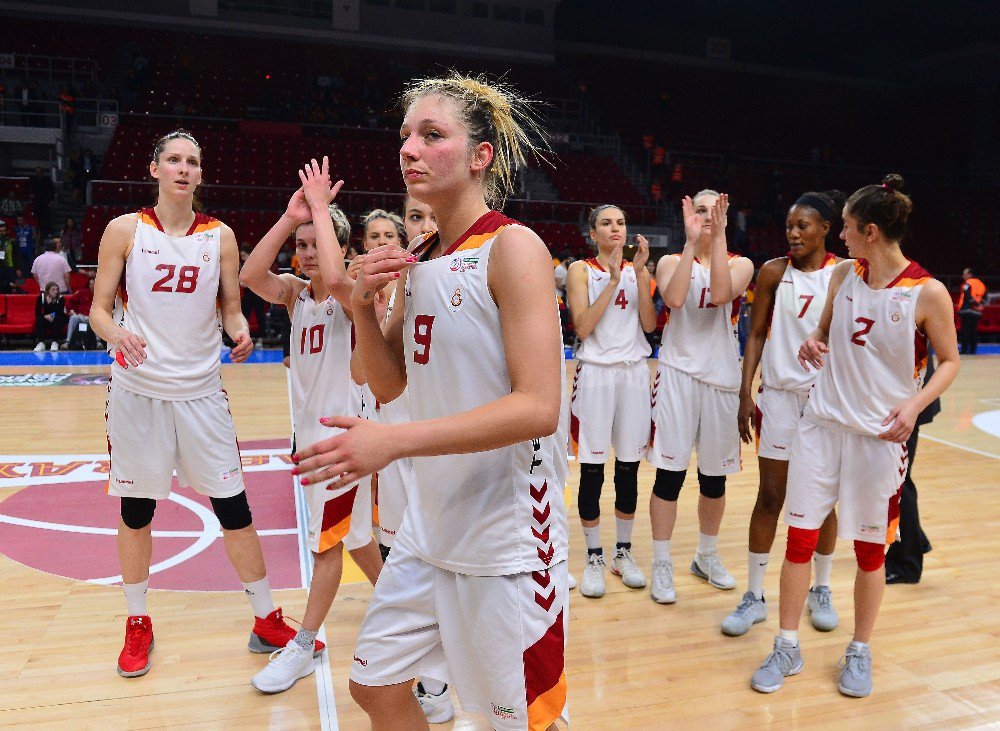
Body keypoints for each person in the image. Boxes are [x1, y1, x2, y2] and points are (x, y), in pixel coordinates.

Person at [296, 72, 569, 731]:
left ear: (481, 156)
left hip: (508, 540)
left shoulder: (513, 247)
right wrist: (362, 306)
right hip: (431, 524)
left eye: (432, 135)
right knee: (375, 684)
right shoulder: (417, 255)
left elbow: (539, 407)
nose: (409, 149)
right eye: (404, 136)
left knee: (522, 721)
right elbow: (386, 382)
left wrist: (393, 441)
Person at [89, 130, 310, 680]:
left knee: (234, 507)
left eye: (193, 161)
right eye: (174, 159)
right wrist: (118, 335)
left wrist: (240, 333)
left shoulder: (221, 237)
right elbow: (98, 311)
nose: (184, 169)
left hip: (201, 393)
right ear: (155, 168)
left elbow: (232, 309)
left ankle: (265, 617)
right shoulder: (125, 230)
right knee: (137, 511)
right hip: (138, 393)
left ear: (200, 174)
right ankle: (137, 620)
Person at [750, 174, 960, 699]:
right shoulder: (844, 275)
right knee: (799, 542)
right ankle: (786, 644)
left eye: (845, 228)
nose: (839, 237)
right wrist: (814, 347)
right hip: (821, 428)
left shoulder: (926, 293)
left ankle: (859, 651)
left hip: (878, 439)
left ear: (869, 230)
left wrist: (915, 404)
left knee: (870, 552)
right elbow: (821, 333)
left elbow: (951, 361)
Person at [239, 157, 383, 694]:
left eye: (311, 245)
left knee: (327, 548)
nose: (302, 255)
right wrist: (291, 216)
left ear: (338, 248)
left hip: (343, 442)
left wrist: (322, 213)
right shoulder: (297, 296)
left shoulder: (352, 301)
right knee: (359, 540)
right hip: (311, 442)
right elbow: (251, 276)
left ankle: (302, 646)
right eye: (298, 247)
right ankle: (414, 615)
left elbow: (341, 276)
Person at [722, 191, 844, 638]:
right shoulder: (774, 272)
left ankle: (822, 588)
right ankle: (754, 595)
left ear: (826, 228)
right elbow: (754, 335)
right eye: (789, 225)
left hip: (825, 403)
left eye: (803, 226)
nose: (793, 233)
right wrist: (745, 392)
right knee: (771, 497)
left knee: (822, 499)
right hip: (778, 398)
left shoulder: (844, 274)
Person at [647, 190, 753, 603]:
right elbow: (673, 300)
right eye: (701, 210)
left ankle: (706, 556)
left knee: (713, 478)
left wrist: (720, 236)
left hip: (722, 379)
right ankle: (661, 563)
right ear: (688, 214)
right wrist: (692, 243)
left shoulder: (740, 263)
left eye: (716, 210)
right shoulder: (673, 260)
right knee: (669, 476)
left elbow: (722, 294)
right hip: (677, 374)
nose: (708, 216)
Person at [566, 204, 656, 598]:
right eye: (607, 223)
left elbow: (651, 326)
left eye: (621, 222)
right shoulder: (581, 271)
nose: (616, 228)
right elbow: (583, 327)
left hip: (635, 372)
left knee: (629, 469)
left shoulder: (641, 272)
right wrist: (615, 281)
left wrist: (639, 275)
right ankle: (594, 557)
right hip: (596, 374)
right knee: (591, 470)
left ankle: (623, 552)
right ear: (593, 233)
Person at [884, 353, 939, 584]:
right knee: (896, 477)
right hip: (901, 397)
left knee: (899, 480)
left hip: (907, 399)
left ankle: (907, 564)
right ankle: (915, 540)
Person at [956, 267, 986, 355]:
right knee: (973, 331)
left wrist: (974, 304)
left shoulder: (967, 283)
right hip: (976, 312)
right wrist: (980, 306)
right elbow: (985, 297)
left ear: (970, 274)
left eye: (964, 274)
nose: (963, 276)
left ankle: (964, 350)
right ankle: (973, 351)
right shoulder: (982, 284)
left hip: (967, 310)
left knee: (965, 331)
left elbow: (967, 296)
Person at [65, 272, 96, 349]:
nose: (92, 286)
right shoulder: (82, 292)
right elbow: (70, 301)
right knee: (73, 318)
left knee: (97, 319)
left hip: (93, 317)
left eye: (94, 284)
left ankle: (98, 342)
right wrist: (71, 310)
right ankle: (67, 342)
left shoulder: (101, 295)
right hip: (81, 316)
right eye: (91, 284)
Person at [33, 281, 67, 351]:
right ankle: (41, 343)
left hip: (57, 318)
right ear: (48, 290)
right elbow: (37, 312)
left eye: (57, 289)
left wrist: (50, 304)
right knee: (39, 319)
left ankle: (55, 342)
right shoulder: (41, 298)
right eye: (53, 289)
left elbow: (59, 312)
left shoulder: (61, 299)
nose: (55, 291)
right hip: (46, 318)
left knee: (58, 319)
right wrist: (45, 316)